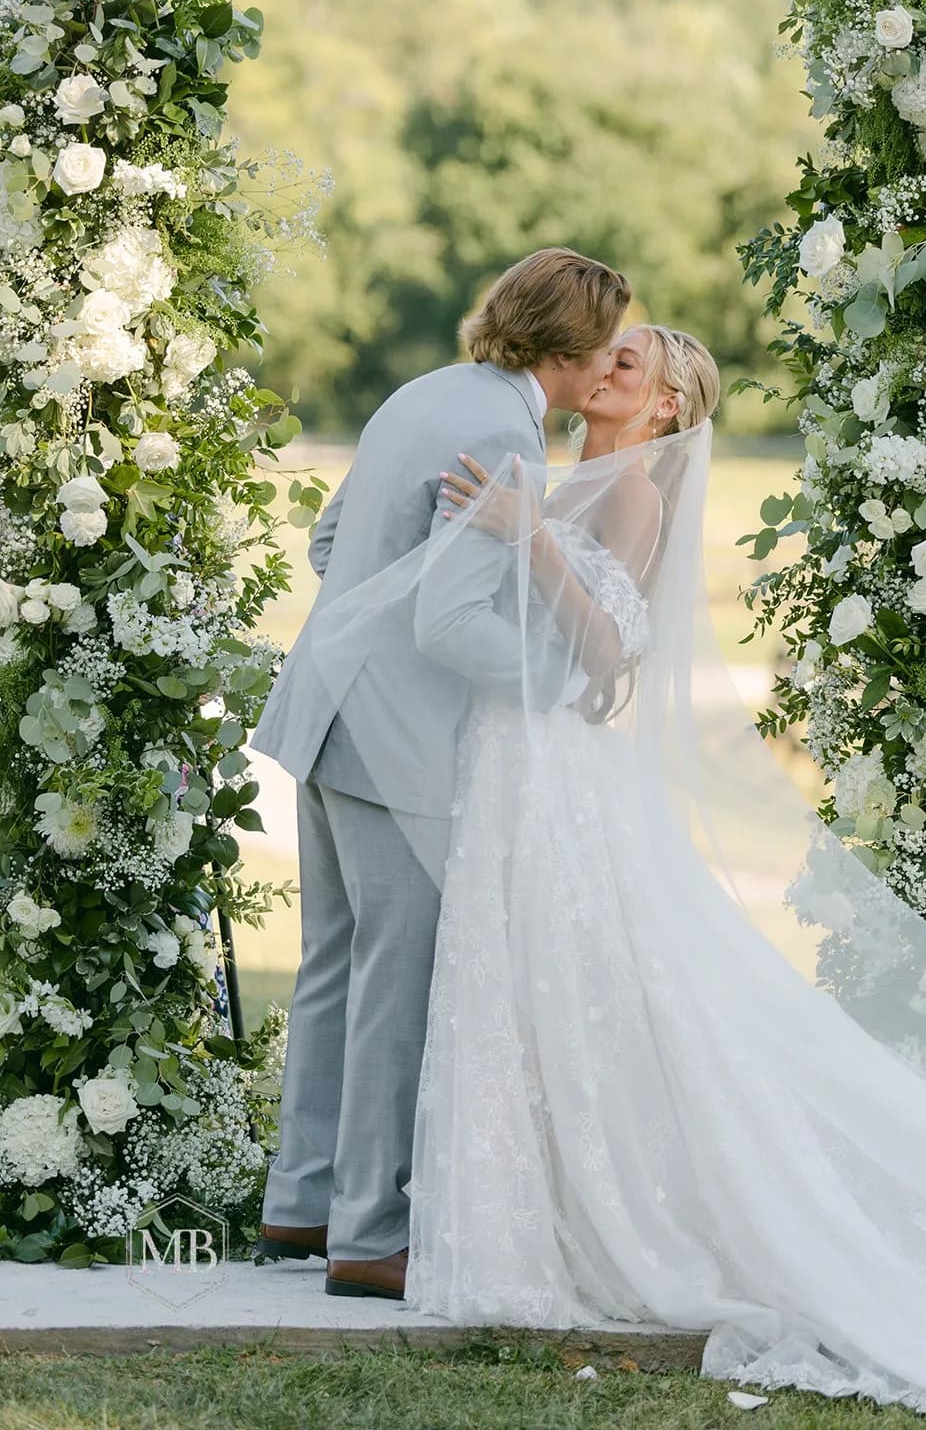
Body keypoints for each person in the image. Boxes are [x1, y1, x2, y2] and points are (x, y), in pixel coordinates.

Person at [309, 319, 926, 1430]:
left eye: (628, 363)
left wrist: (526, 539)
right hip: (505, 758)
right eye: (603, 355)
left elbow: (609, 654)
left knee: (578, 974)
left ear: (664, 410)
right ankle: (493, 1208)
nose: (604, 366)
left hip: (556, 767)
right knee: (509, 980)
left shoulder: (633, 493)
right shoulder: (554, 470)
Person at [249, 247, 630, 1298]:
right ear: (569, 347)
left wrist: (377, 619)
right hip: (390, 741)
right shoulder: (505, 434)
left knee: (332, 961)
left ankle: (302, 1203)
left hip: (321, 707)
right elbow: (451, 616)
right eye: (603, 344)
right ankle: (369, 1236)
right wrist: (560, 672)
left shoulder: (424, 392)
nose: (607, 362)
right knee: (395, 978)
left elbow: (334, 542)